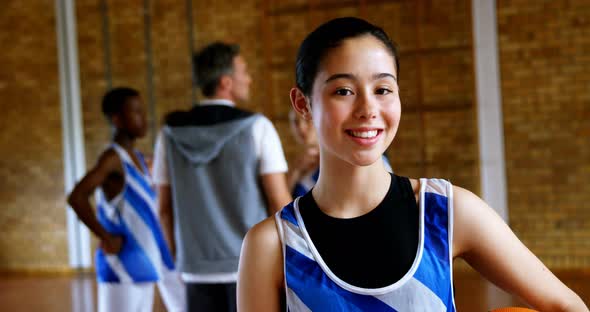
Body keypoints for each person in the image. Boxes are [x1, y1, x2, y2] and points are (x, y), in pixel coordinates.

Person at [237, 17, 589, 311]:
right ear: (302, 103)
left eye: (383, 89)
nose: (367, 109)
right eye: (343, 91)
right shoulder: (272, 246)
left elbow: (567, 306)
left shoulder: (448, 211)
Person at [153, 42, 292, 311]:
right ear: (226, 82)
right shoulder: (258, 127)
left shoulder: (168, 135)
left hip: (195, 268)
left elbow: (164, 210)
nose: (249, 78)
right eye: (244, 71)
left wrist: (178, 259)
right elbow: (280, 204)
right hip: (253, 265)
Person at [67, 87, 186, 312]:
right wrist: (105, 236)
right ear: (117, 119)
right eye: (137, 112)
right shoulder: (112, 158)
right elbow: (77, 196)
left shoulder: (139, 159)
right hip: (121, 266)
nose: (144, 119)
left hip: (143, 263)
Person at [288, 109, 393, 198]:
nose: (301, 127)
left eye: (307, 121)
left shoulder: (364, 159)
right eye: (295, 122)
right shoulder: (299, 165)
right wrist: (295, 170)